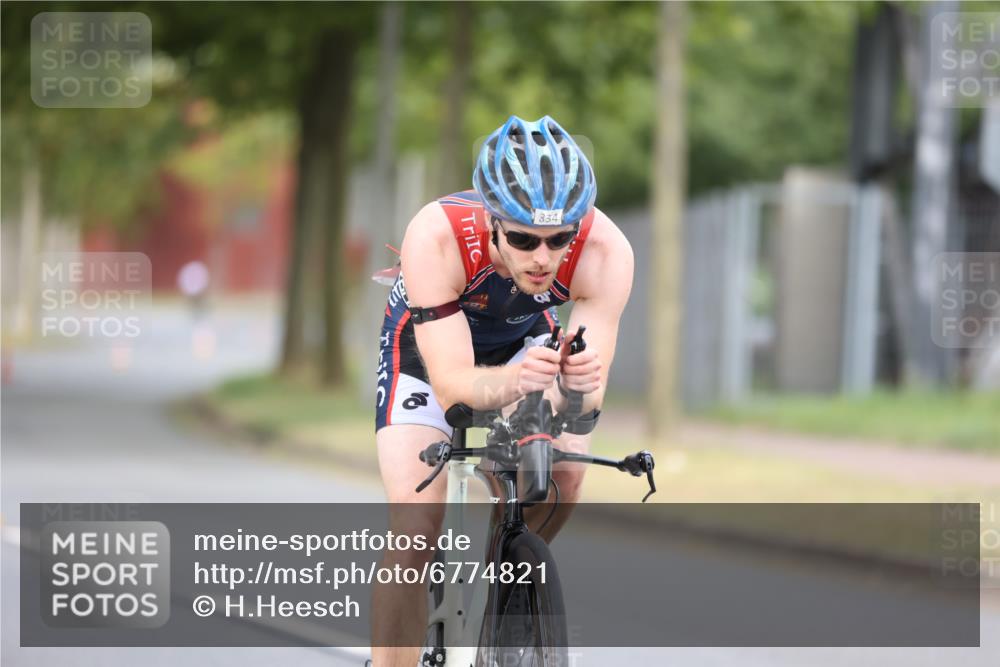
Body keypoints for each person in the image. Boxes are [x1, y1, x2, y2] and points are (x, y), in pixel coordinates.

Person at [371, 115, 634, 666]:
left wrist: (576, 389)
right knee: (416, 526)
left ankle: (505, 585)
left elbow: (584, 402)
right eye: (522, 239)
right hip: (427, 350)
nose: (542, 258)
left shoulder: (606, 252)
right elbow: (453, 389)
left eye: (559, 239)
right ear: (492, 222)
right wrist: (520, 384)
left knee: (564, 473)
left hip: (521, 340)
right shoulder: (437, 235)